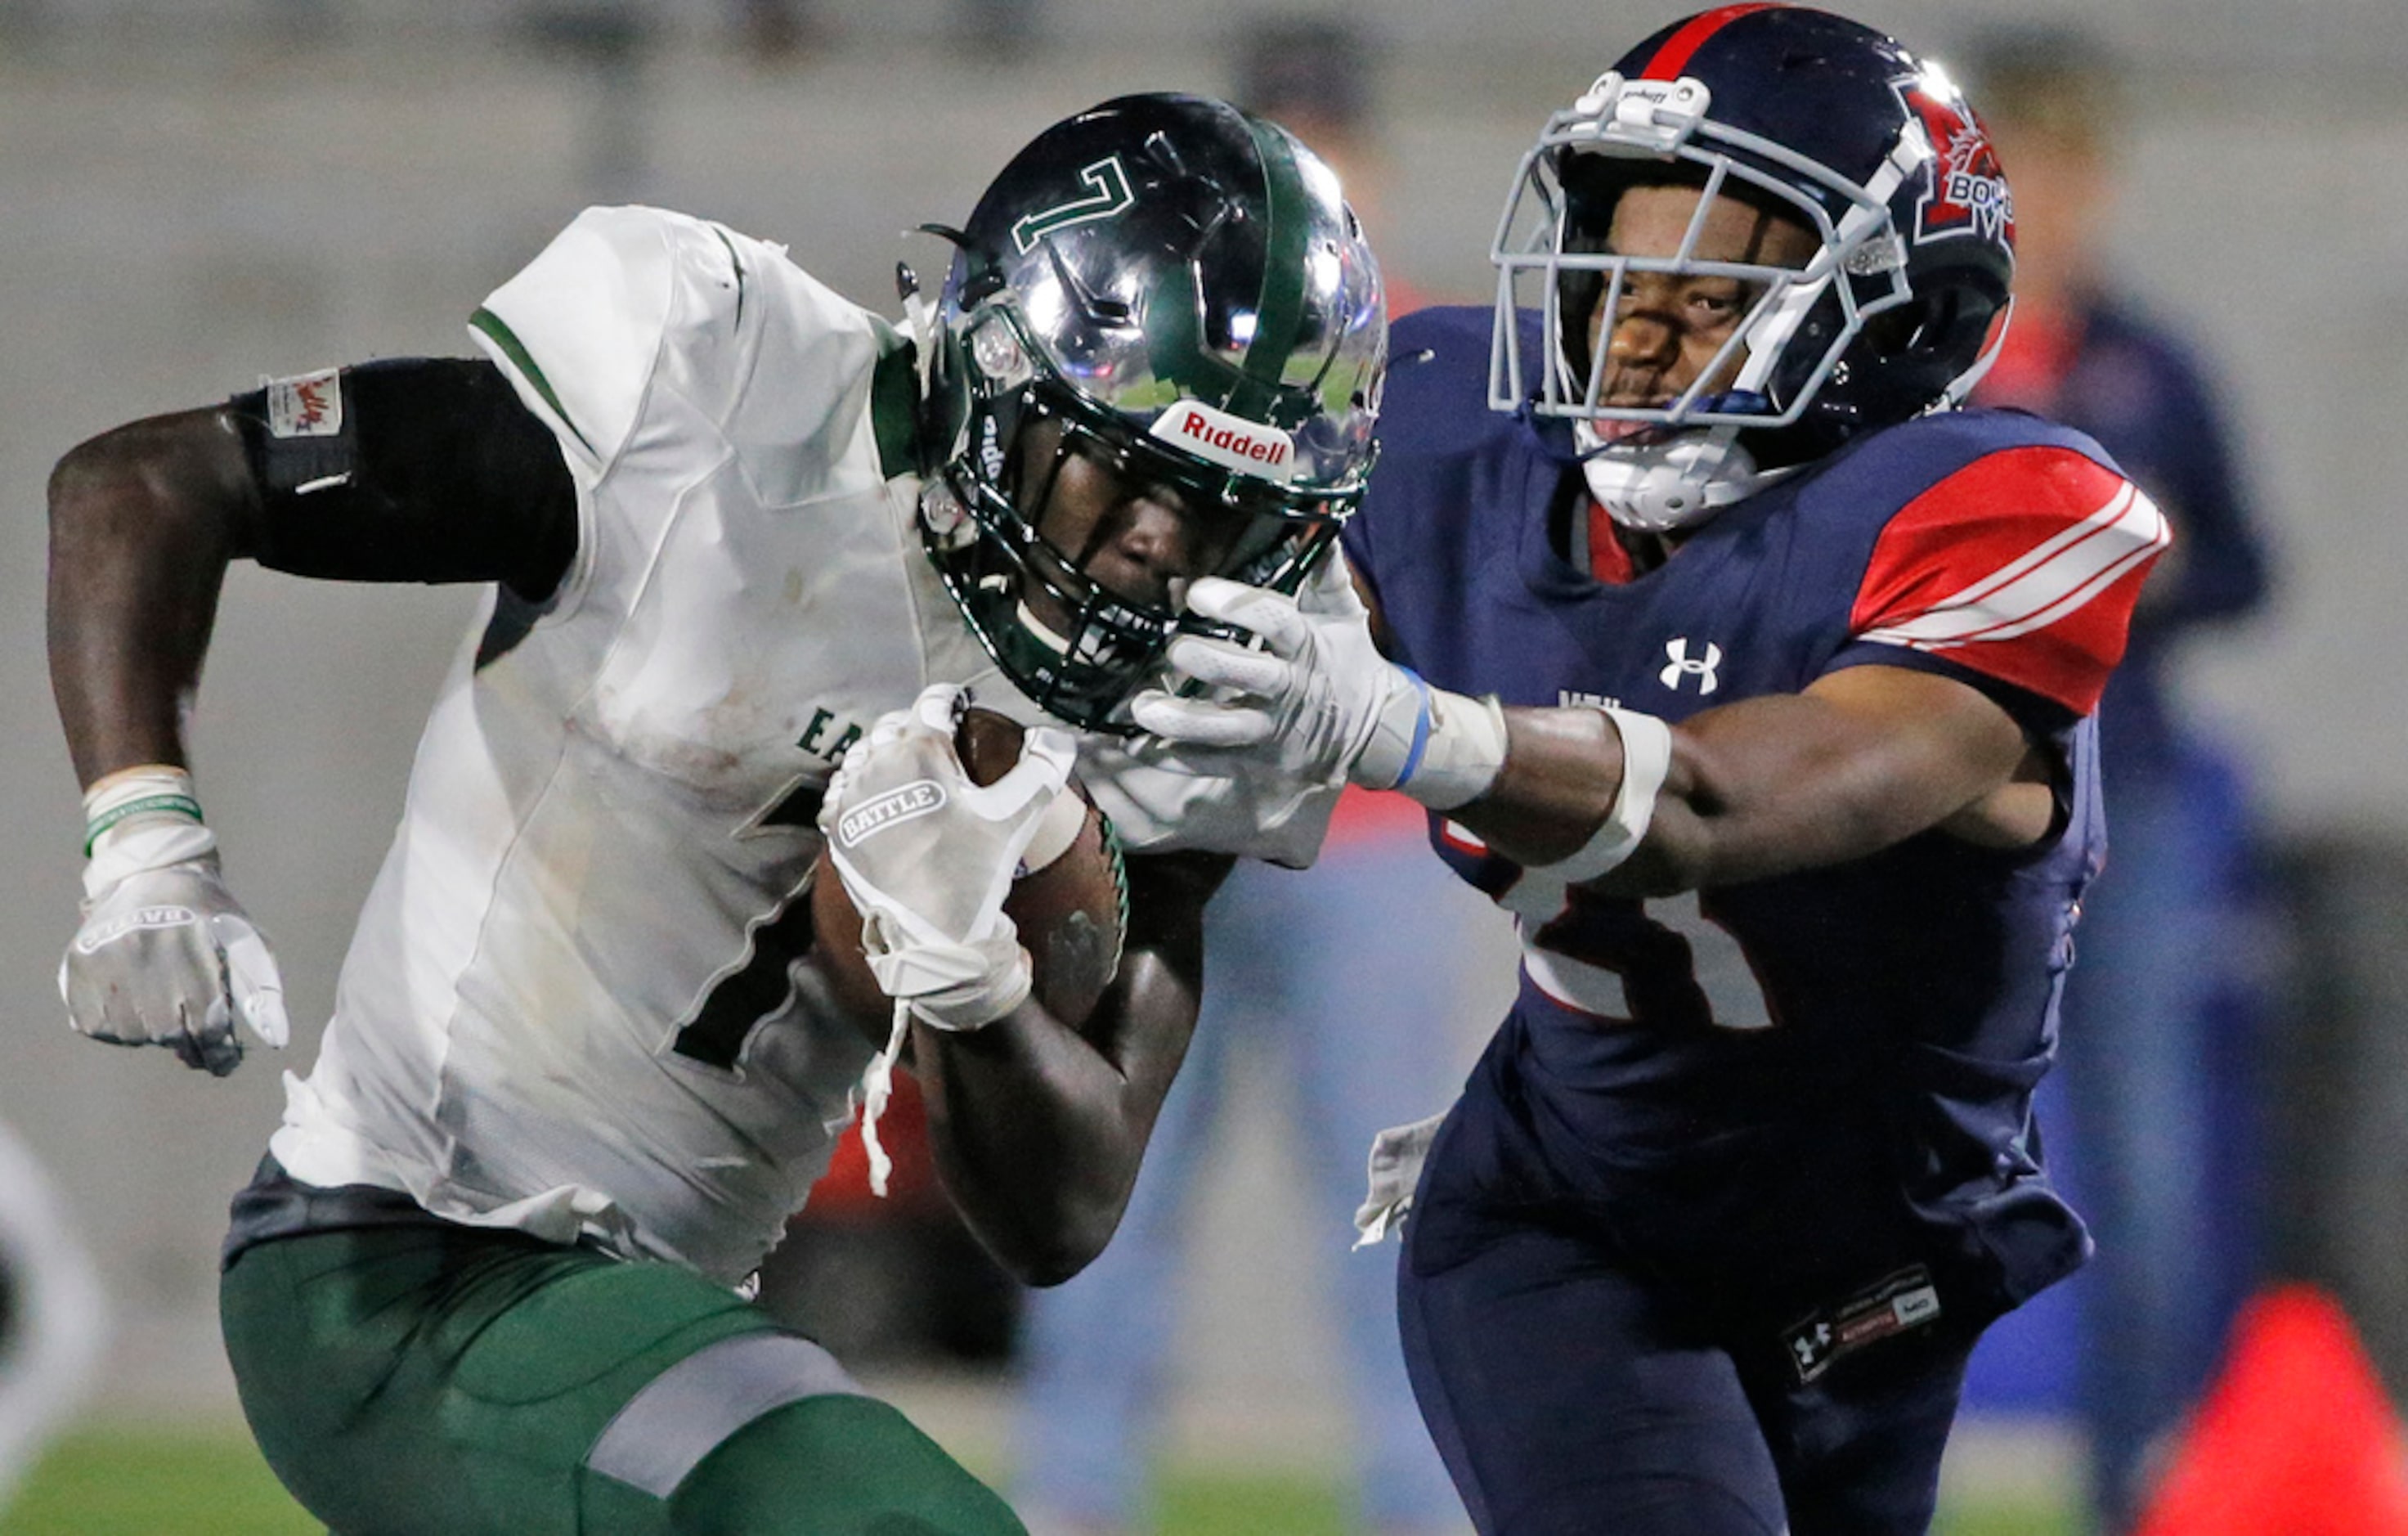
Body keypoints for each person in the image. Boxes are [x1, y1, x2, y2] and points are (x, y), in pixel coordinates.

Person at [46, 92, 1385, 1535]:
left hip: (648, 1311)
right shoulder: (717, 394)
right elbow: (144, 481)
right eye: (1126, 472)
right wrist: (146, 841)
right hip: (402, 1260)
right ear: (1003, 373)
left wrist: (976, 988)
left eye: (1222, 512)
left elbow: (1061, 1215)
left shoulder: (1216, 681)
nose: (1159, 550)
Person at [1128, 8, 2169, 1533]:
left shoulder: (1997, 509)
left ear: (1884, 313)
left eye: (1710, 284)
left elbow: (1718, 805)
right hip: (1576, 1229)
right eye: (1612, 262)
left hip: (1879, 1276)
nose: (1629, 324)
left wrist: (1406, 728)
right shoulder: (1445, 428)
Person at [1009, 21, 1476, 1536]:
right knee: (1102, 1192)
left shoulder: (1430, 369)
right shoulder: (1162, 344)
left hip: (1371, 850)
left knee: (1390, 1211)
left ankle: (1418, 1503)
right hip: (1162, 830)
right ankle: (1071, 1501)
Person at [1963, 27, 2275, 1532]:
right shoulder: (1919, 364)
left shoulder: (2144, 363)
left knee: (2138, 1175)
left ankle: (2136, 1488)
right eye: (2021, 169)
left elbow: (2245, 565)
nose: (2052, 202)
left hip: (2118, 807)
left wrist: (2118, 596)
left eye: (2070, 169)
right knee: (1898, 1152)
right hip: (1935, 813)